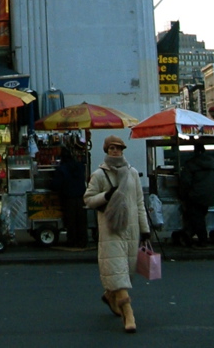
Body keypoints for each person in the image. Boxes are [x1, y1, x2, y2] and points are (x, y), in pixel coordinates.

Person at [84, 135, 149, 333]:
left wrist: (144, 229)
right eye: (112, 148)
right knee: (117, 269)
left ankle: (110, 296)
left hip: (130, 229)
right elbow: (88, 200)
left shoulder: (132, 174)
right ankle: (128, 312)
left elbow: (139, 203)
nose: (115, 151)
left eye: (119, 148)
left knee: (125, 271)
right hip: (110, 229)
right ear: (106, 150)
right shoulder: (100, 174)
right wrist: (106, 196)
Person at [179, 141, 214, 248]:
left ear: (195, 151)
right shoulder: (213, 163)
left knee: (196, 218)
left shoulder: (191, 164)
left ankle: (201, 240)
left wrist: (183, 195)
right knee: (199, 216)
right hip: (208, 196)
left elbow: (185, 182)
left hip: (194, 196)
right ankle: (189, 235)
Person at [50, 147, 88, 248]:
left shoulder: (61, 169)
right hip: (81, 197)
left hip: (68, 198)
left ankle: (72, 241)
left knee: (71, 221)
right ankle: (83, 241)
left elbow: (56, 185)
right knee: (81, 220)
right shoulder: (80, 166)